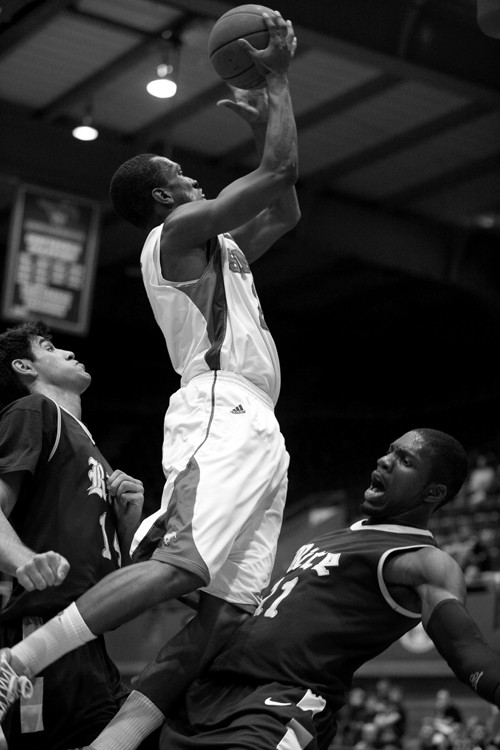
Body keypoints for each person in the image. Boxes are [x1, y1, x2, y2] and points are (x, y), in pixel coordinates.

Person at [0, 8, 300, 746]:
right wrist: (280, 81)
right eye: (182, 175)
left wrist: (266, 114)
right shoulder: (174, 240)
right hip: (219, 406)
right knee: (179, 564)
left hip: (261, 422)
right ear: (163, 200)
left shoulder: (219, 249)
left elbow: (285, 206)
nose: (194, 177)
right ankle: (18, 658)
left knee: (224, 614)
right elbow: (277, 175)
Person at [120, 427, 500, 750]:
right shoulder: (329, 540)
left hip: (277, 706)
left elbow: (466, 650)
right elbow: (253, 613)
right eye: (389, 451)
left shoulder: (422, 559)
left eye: (404, 460)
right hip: (204, 692)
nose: (384, 460)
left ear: (432, 493)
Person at [0, 320, 155, 749]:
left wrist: (128, 518)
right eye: (48, 347)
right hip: (40, 634)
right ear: (24, 366)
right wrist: (22, 560)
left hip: (87, 640)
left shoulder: (92, 448)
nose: (68, 352)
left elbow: (105, 566)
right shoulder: (34, 412)